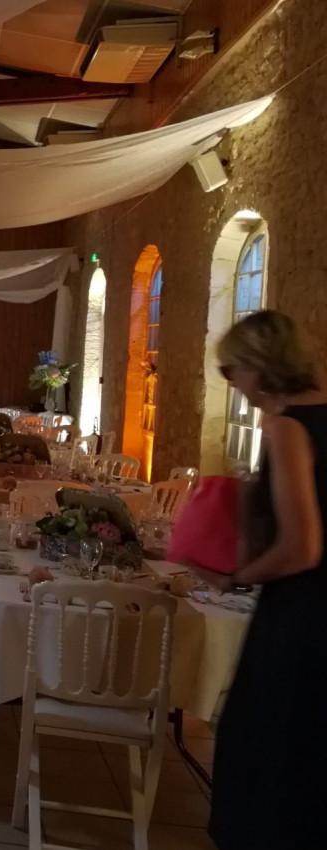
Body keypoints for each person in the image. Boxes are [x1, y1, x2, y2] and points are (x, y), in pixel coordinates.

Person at [198, 310, 327, 849]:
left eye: (232, 370)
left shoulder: (285, 428)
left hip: (303, 616)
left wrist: (237, 579)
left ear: (259, 365)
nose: (233, 384)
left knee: (265, 746)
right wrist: (255, 497)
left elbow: (301, 547)